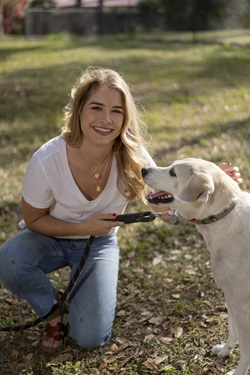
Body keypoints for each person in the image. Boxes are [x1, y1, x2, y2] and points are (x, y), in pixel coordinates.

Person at [0, 67, 241, 352]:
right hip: (47, 236)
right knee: (10, 262)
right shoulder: (46, 159)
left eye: (116, 111)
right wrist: (81, 227)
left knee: (89, 339)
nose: (106, 120)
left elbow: (165, 210)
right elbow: (33, 219)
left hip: (99, 242)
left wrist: (213, 193)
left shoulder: (133, 154)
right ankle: (53, 310)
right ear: (79, 110)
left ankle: (80, 301)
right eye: (96, 108)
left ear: (125, 117)